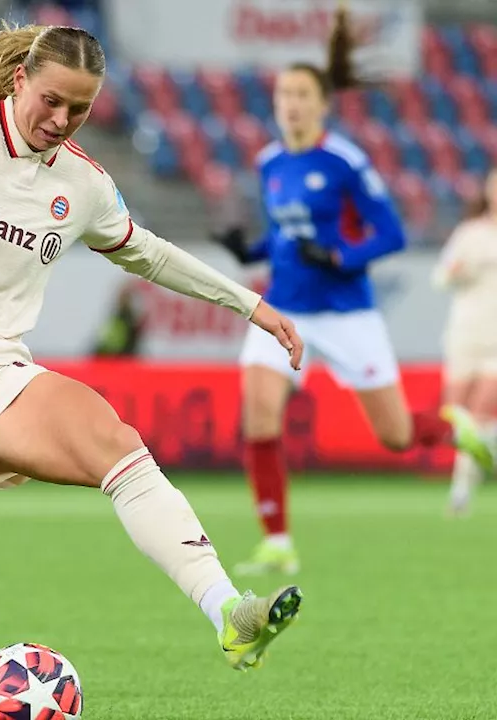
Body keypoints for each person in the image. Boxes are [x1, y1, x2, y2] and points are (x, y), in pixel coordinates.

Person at [0, 22, 306, 692]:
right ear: (21, 80)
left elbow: (150, 254)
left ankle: (230, 611)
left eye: (80, 109)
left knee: (119, 444)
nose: (62, 119)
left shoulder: (84, 184)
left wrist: (251, 305)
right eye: (51, 100)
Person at [213, 7, 494, 575]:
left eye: (300, 94)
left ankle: (453, 428)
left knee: (395, 436)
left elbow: (391, 232)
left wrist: (341, 255)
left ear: (321, 104)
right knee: (259, 416)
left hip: (345, 311)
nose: (289, 103)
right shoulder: (270, 163)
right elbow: (287, 237)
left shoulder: (345, 161)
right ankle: (278, 542)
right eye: (283, 94)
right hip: (284, 307)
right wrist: (254, 251)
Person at [434, 169, 497, 516]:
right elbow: (441, 277)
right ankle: (489, 456)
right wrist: (455, 272)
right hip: (466, 331)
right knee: (456, 418)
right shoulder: (469, 233)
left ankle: (461, 491)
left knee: (483, 410)